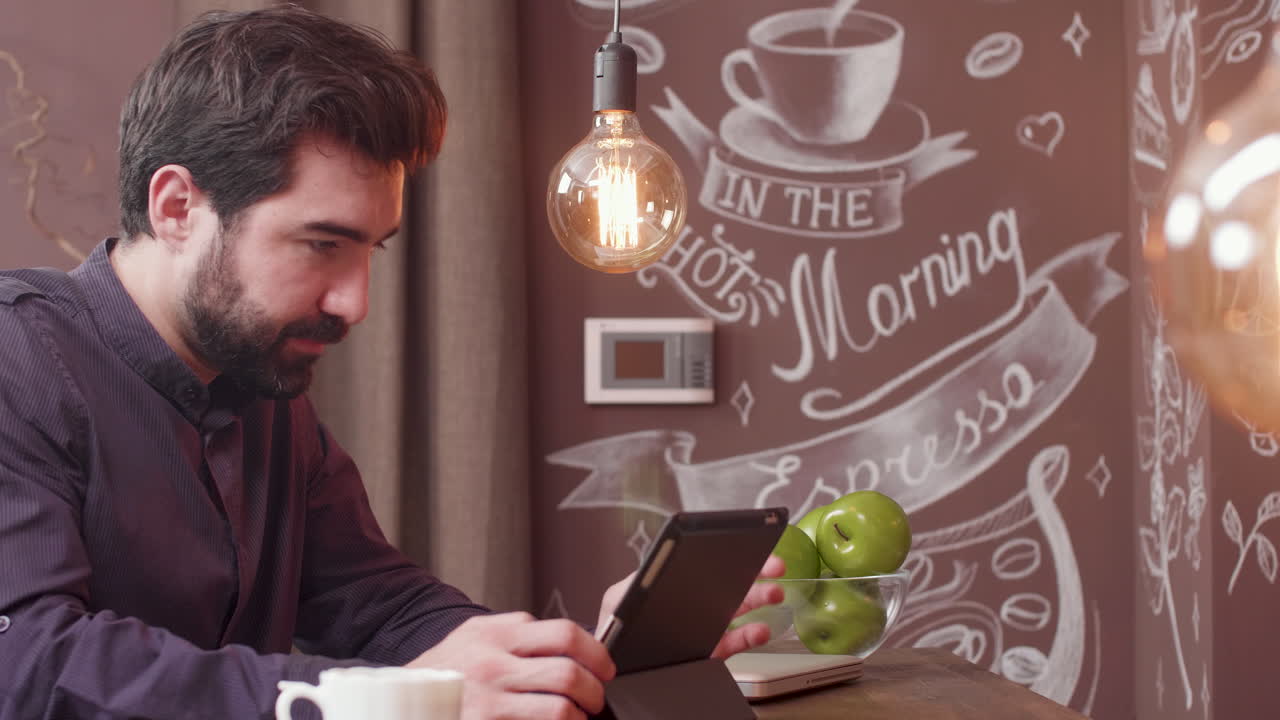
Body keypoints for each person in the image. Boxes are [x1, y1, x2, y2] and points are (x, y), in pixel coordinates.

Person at [0, 6, 783, 719]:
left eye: (370, 251)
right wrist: (374, 700)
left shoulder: (265, 385)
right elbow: (28, 664)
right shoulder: (18, 360)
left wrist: (563, 661)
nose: (354, 303)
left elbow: (381, 607)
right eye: (322, 244)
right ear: (177, 207)